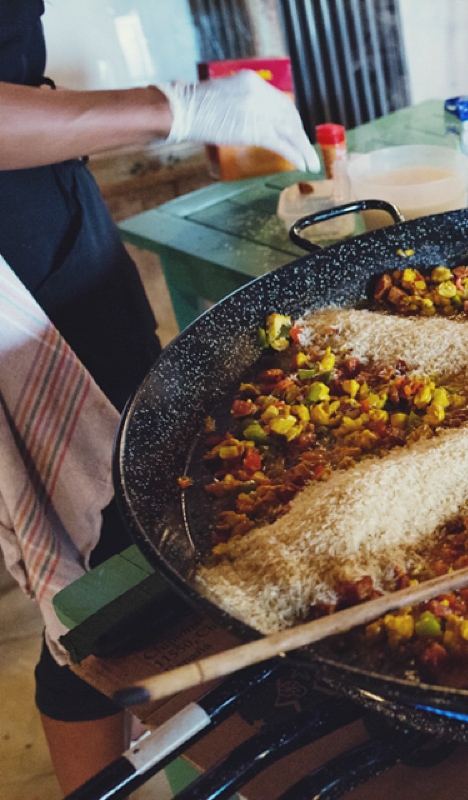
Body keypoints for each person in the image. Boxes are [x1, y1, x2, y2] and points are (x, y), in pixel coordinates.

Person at [1, 1, 318, 792]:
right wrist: (174, 106)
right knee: (100, 582)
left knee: (114, 563)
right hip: (15, 284)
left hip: (53, 220)